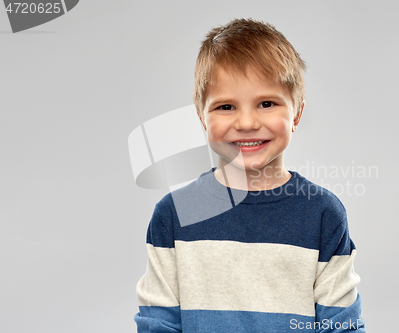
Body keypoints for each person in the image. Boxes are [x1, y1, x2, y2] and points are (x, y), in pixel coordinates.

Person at [134, 18, 365, 332]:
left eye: (266, 103)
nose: (246, 123)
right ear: (202, 116)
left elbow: (341, 325)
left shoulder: (322, 214)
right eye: (226, 107)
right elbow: (158, 323)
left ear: (296, 113)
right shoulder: (175, 213)